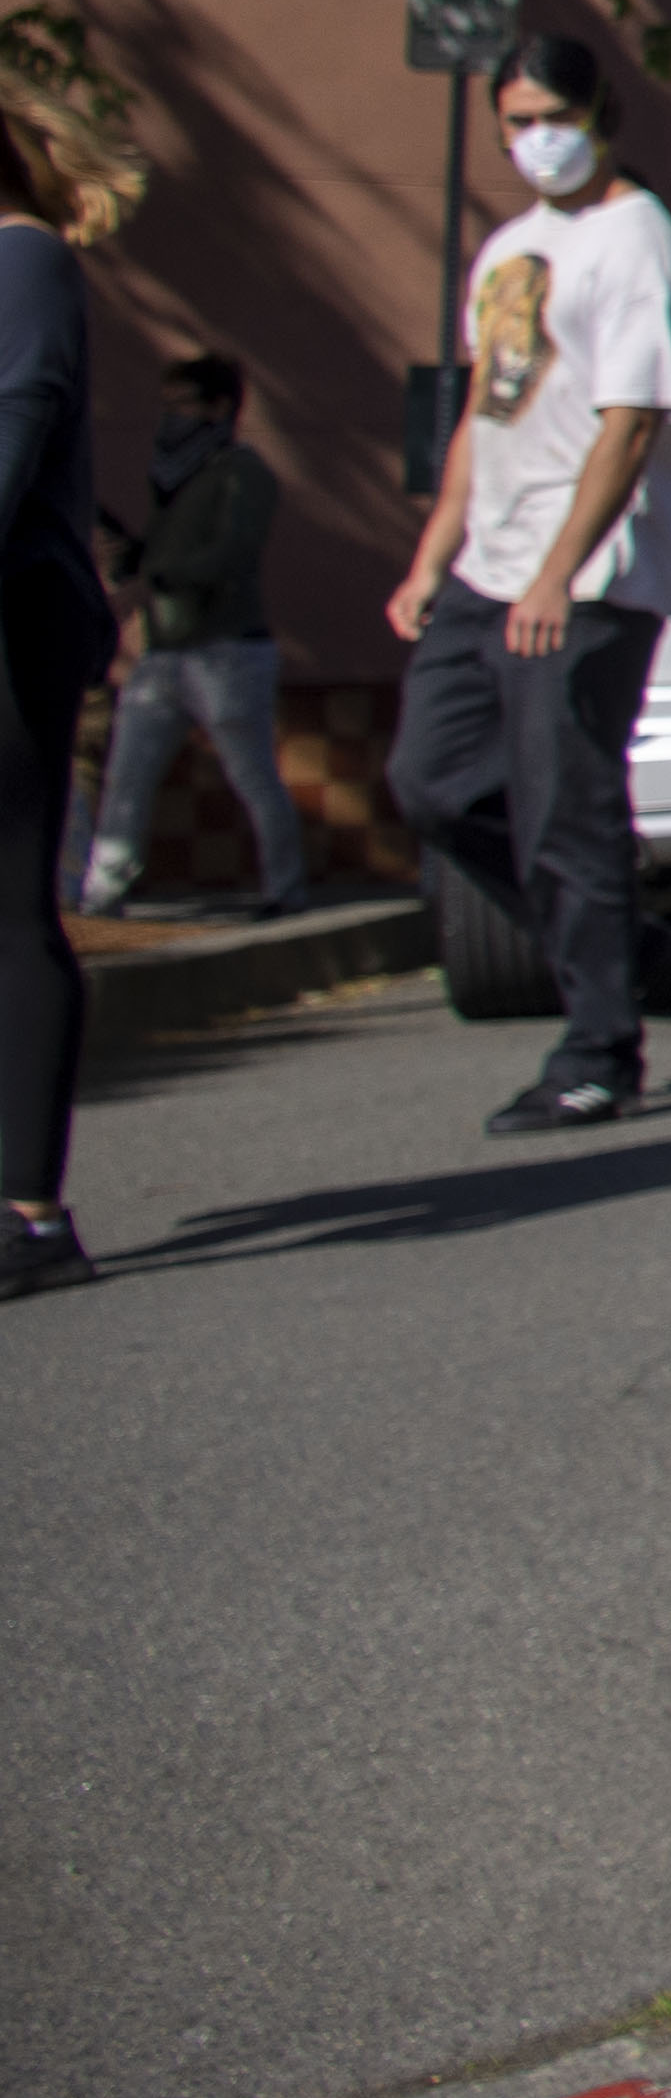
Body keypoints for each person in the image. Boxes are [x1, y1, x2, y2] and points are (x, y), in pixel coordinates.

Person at [395, 34, 671, 1138]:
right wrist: (433, 555)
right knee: (432, 782)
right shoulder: (510, 250)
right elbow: (491, 404)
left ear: (599, 114)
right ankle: (623, 945)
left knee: (564, 811)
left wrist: (557, 575)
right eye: (517, 122)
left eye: (554, 118)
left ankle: (598, 1053)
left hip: (590, 576)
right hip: (489, 566)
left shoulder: (637, 238)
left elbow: (633, 423)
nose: (537, 140)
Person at [1, 90, 144, 1301]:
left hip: (13, 624)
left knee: (10, 910)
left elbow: (16, 426)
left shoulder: (25, 260)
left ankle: (31, 1216)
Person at [81, 350, 303, 918]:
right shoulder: (175, 475)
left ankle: (285, 887)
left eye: (183, 404)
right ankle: (103, 891)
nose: (171, 416)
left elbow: (230, 554)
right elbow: (162, 552)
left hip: (227, 649)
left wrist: (153, 579)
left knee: (251, 773)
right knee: (128, 774)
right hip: (165, 650)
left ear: (220, 407)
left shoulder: (242, 474)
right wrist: (127, 556)